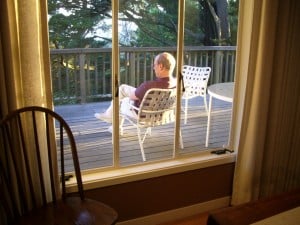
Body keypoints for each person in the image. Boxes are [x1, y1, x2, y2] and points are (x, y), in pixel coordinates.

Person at [94, 52, 176, 124]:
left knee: (121, 101)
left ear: (161, 66)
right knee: (123, 88)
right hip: (163, 115)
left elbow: (132, 97)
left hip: (144, 115)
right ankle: (110, 119)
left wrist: (141, 90)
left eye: (154, 65)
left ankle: (111, 119)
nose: (153, 68)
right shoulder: (177, 85)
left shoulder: (149, 86)